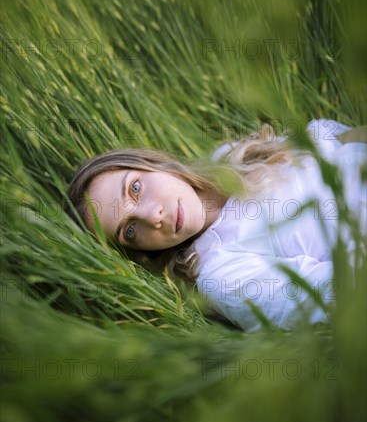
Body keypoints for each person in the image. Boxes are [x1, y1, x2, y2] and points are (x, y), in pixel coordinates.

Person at [65, 119, 366, 332]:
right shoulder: (222, 276)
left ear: (151, 163)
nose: (152, 215)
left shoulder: (229, 157)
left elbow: (337, 139)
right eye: (130, 230)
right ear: (140, 252)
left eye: (135, 189)